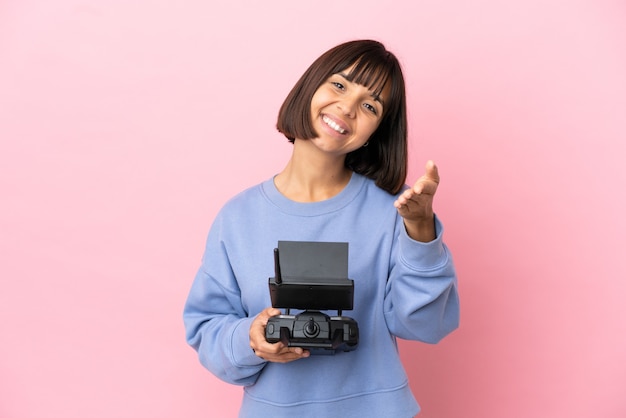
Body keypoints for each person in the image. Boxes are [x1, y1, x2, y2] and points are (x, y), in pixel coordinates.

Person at [183, 39, 460, 417]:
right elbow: (206, 328)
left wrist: (421, 231)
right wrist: (251, 338)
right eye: (340, 85)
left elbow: (427, 325)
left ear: (378, 129)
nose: (346, 108)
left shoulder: (394, 210)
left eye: (370, 105)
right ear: (310, 86)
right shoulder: (238, 217)